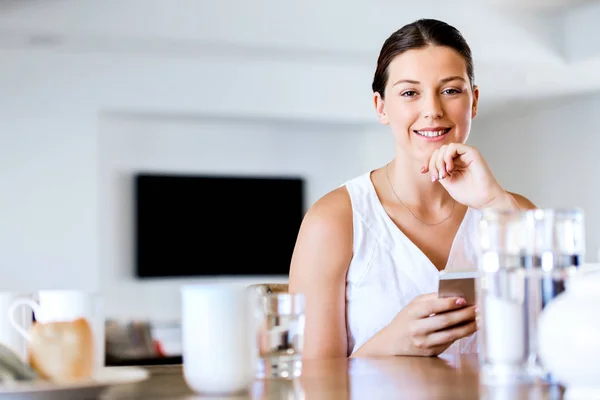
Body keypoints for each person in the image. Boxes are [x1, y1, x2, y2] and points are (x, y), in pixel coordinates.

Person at [288, 18, 536, 359]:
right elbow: (311, 385)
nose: (432, 111)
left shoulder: (516, 214)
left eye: (450, 90)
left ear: (473, 101)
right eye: (409, 93)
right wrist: (392, 343)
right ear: (381, 107)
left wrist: (493, 202)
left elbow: (561, 339)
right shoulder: (333, 220)